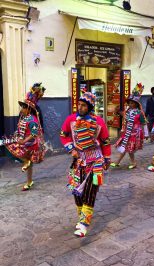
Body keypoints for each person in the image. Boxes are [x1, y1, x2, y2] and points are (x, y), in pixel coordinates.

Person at [60, 92, 111, 237]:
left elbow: (106, 142)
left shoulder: (99, 122)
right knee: (77, 192)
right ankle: (82, 217)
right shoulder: (71, 119)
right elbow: (64, 135)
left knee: (89, 192)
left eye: (83, 105)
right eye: (79, 104)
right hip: (78, 161)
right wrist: (71, 149)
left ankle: (83, 224)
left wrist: (107, 159)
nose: (80, 107)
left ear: (89, 107)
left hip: (95, 161)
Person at [2, 95, 45, 191]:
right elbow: (21, 129)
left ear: (29, 109)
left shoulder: (32, 120)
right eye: (22, 107)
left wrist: (24, 141)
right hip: (25, 142)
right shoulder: (24, 117)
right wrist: (17, 135)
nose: (22, 109)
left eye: (24, 107)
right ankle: (29, 181)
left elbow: (34, 134)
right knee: (12, 148)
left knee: (18, 151)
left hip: (31, 144)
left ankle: (28, 169)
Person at [110, 83, 148, 169]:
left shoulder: (139, 113)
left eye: (132, 103)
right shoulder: (128, 111)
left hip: (135, 133)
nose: (130, 104)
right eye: (129, 103)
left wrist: (146, 134)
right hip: (127, 132)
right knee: (125, 147)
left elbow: (144, 123)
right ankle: (118, 162)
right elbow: (125, 119)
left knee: (129, 148)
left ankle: (131, 163)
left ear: (136, 104)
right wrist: (119, 112)